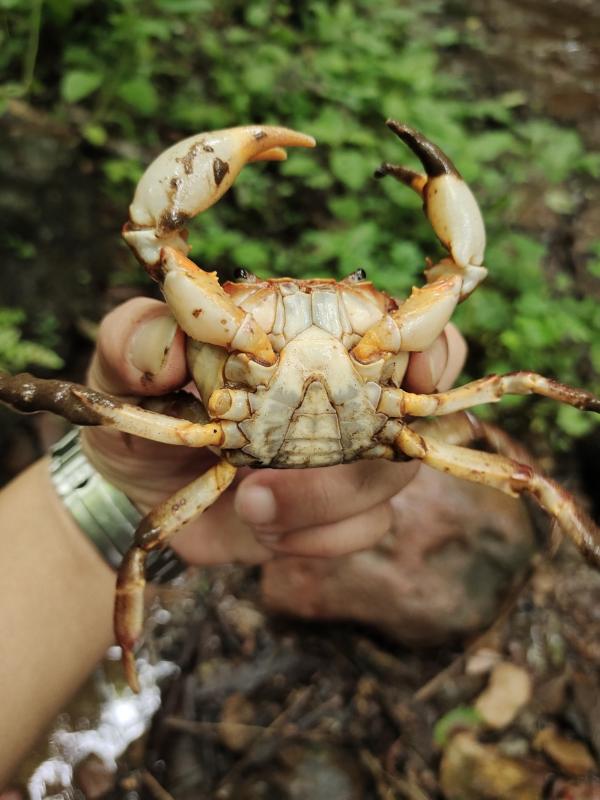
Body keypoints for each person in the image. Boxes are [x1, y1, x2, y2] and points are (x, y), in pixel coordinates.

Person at [0, 297, 466, 784]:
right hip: (219, 450)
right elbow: (76, 404)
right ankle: (132, 653)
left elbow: (498, 385)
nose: (309, 330)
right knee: (135, 533)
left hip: (320, 437)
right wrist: (111, 488)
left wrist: (105, 497)